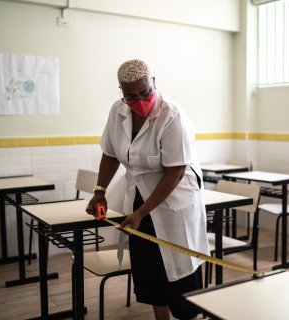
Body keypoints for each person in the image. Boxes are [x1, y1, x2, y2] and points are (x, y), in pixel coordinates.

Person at [86, 59, 209, 320]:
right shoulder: (117, 111)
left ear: (154, 82)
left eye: (145, 92)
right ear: (121, 91)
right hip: (140, 197)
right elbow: (110, 155)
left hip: (175, 201)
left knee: (181, 273)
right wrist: (99, 191)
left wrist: (141, 212)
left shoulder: (173, 115)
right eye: (131, 96)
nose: (139, 100)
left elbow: (174, 173)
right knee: (150, 269)